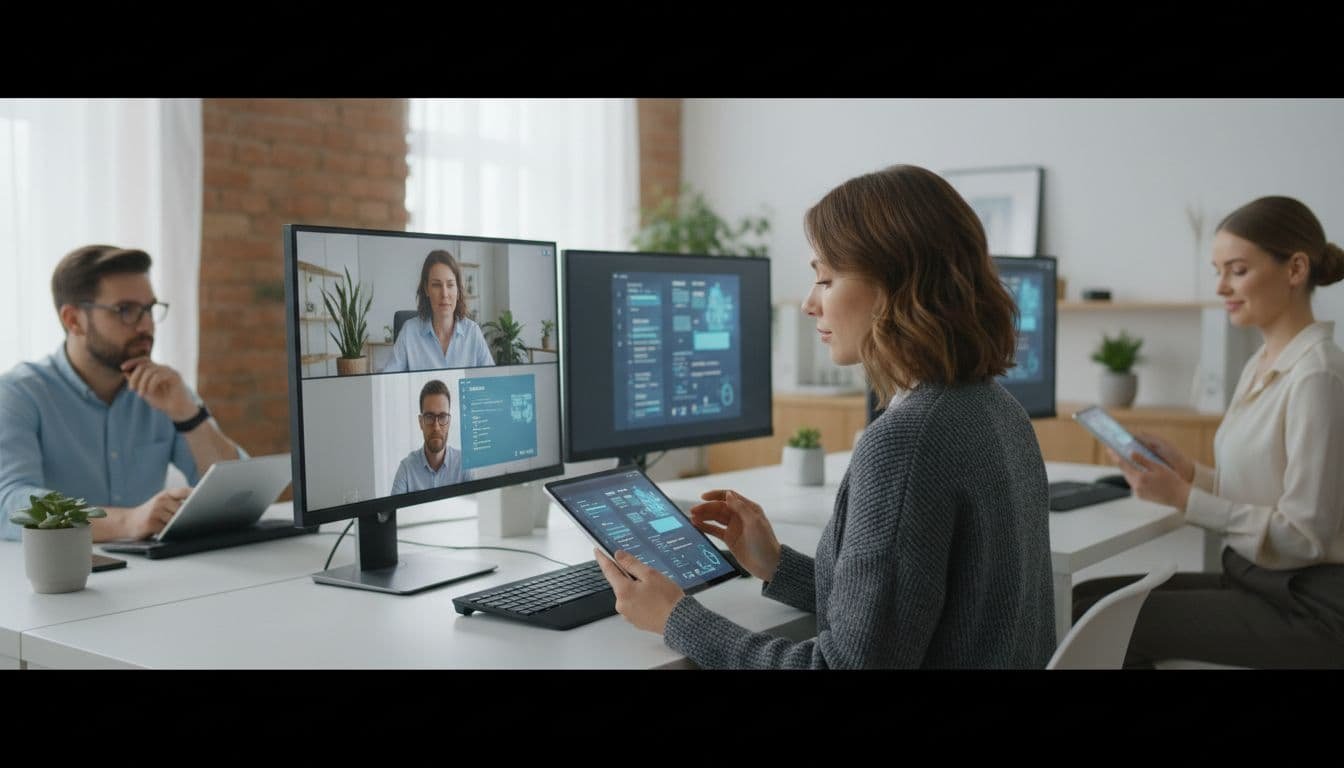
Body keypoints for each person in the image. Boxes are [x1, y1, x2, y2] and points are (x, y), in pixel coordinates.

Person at [593, 164, 1055, 668]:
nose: (810, 304)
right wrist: (776, 566)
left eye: (827, 279)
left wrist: (675, 618)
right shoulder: (996, 408)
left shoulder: (907, 440)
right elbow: (901, 618)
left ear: (897, 286)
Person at [1072, 196, 1344, 668]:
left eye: (1236, 270)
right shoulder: (1262, 364)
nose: (1220, 287)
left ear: (1296, 269)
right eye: (1217, 270)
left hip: (1306, 603)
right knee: (1086, 600)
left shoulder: (1317, 377)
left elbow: (1303, 535)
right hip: (1254, 578)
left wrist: (1184, 498)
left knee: (1105, 624)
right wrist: (1190, 473)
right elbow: (1267, 491)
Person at [0, 245, 243, 543]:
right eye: (125, 310)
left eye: (149, 309)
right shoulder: (19, 394)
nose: (146, 325)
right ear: (73, 320)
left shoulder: (164, 391)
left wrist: (189, 416)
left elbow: (237, 492)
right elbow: (11, 503)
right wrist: (126, 522)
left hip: (155, 576)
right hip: (60, 579)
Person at [381, 250, 494, 372]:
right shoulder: (409, 332)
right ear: (426, 289)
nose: (444, 294)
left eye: (450, 285)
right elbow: (388, 381)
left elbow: (492, 381)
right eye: (436, 285)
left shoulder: (472, 332)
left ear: (458, 290)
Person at [390, 379, 467, 494]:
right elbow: (392, 512)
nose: (436, 427)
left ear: (449, 421)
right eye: (430, 417)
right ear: (421, 422)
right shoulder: (406, 469)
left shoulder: (464, 465)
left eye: (442, 416)